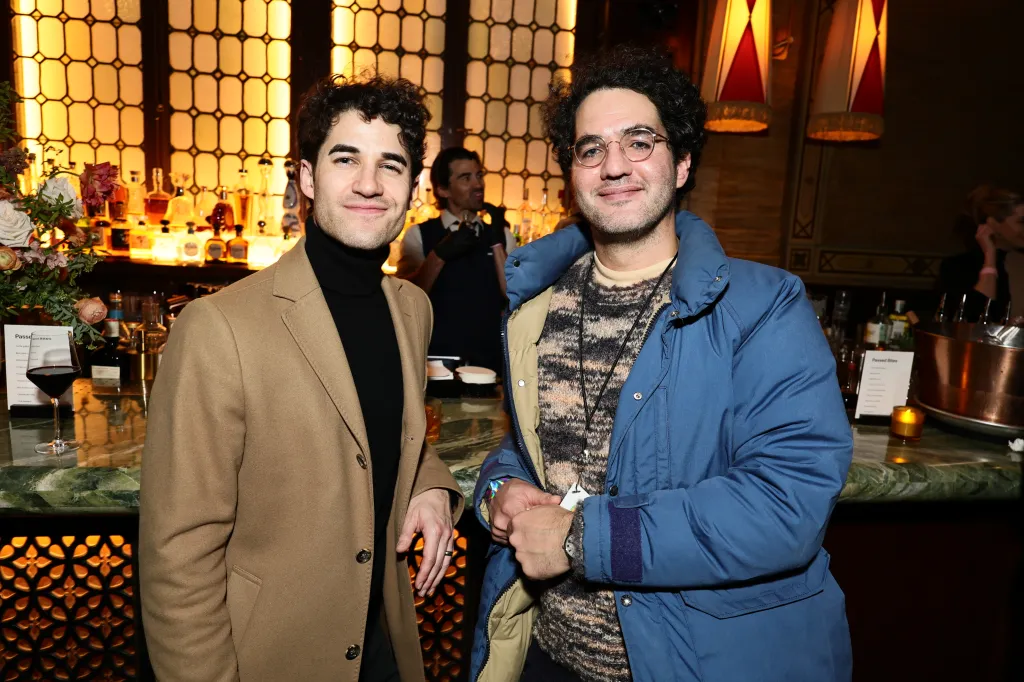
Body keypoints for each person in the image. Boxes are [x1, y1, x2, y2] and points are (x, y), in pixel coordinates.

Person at [470, 46, 854, 682]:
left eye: (638, 141)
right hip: (551, 657)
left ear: (681, 163)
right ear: (571, 172)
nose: (613, 166)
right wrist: (500, 490)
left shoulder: (763, 306)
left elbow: (788, 503)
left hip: (697, 661)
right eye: (591, 149)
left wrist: (580, 540)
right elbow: (536, 446)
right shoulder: (536, 304)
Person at [140, 74, 463, 682]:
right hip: (270, 657)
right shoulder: (219, 327)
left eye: (390, 165)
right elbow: (177, 554)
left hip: (383, 648)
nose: (369, 184)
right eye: (346, 160)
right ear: (308, 177)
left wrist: (432, 482)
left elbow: (383, 433)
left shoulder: (411, 309)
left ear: (414, 188)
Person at [398, 147, 517, 373]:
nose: (478, 185)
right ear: (443, 190)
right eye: (465, 178)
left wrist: (497, 241)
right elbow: (408, 297)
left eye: (479, 176)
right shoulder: (419, 235)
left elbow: (513, 294)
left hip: (489, 362)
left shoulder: (501, 236)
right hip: (437, 361)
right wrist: (439, 254)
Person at [939, 185, 1024, 322]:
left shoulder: (1019, 262)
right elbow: (970, 320)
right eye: (1022, 221)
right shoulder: (959, 267)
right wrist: (990, 258)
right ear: (992, 223)